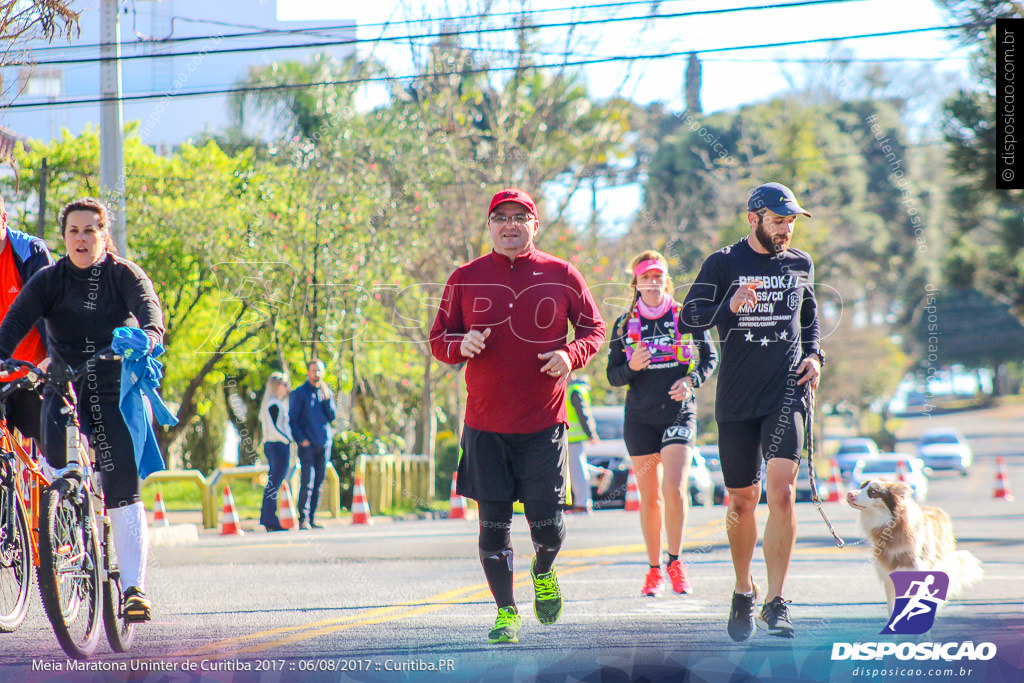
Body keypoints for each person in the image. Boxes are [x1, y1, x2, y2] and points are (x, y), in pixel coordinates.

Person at [429, 187, 606, 645]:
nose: (510, 225)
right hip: (485, 428)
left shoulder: (562, 274)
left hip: (542, 424)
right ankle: (506, 611)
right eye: (501, 217)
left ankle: (543, 571)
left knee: (548, 526)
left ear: (534, 224)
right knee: (493, 527)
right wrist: (458, 346)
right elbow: (439, 339)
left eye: (519, 217)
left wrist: (572, 355)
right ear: (489, 226)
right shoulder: (465, 277)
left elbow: (594, 329)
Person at [0, 197, 167, 623]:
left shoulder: (121, 274)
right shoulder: (49, 280)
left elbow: (149, 308)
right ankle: (68, 530)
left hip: (110, 388)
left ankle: (133, 589)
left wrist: (148, 334)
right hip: (63, 385)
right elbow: (16, 323)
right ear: (64, 237)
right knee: (57, 471)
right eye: (73, 231)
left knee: (120, 486)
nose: (81, 238)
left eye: (89, 230)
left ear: (103, 236)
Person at [680, 182, 823, 641]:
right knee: (742, 501)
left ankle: (775, 601)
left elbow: (810, 317)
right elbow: (689, 317)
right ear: (753, 219)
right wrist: (728, 306)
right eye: (778, 220)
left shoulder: (800, 263)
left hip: (786, 391)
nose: (786, 228)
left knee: (781, 493)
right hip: (737, 398)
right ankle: (744, 588)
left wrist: (815, 355)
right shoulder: (723, 263)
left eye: (791, 221)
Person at [606, 250, 718, 597]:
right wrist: (632, 367)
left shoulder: (686, 316)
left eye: (658, 277)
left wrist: (691, 382)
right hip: (640, 418)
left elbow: (709, 358)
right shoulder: (624, 324)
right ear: (636, 283)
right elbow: (613, 376)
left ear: (666, 280)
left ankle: (676, 561)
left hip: (677, 413)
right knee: (650, 498)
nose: (652, 283)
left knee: (674, 488)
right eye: (646, 277)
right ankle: (654, 569)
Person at [0, 195, 54, 446]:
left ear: (3, 219)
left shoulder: (30, 253)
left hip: (32, 373)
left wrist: (55, 358)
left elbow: (54, 310)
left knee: (55, 451)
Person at [289, 359, 335, 530]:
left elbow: (332, 416)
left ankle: (313, 517)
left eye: (319, 371)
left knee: (319, 482)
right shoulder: (300, 393)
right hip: (307, 445)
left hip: (323, 443)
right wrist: (302, 440)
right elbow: (293, 420)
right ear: (308, 372)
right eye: (314, 370)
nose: (317, 374)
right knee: (307, 481)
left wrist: (327, 398)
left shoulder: (325, 392)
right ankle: (303, 519)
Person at [259, 371, 293, 532]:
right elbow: (274, 428)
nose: (287, 388)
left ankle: (269, 518)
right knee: (274, 482)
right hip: (277, 445)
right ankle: (269, 519)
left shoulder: (276, 404)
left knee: (274, 482)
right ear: (276, 386)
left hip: (276, 445)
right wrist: (287, 439)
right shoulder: (273, 404)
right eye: (284, 385)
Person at [565, 373, 599, 514]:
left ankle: (582, 504)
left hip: (573, 437)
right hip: (572, 437)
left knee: (577, 470)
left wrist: (590, 434)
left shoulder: (574, 390)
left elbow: (582, 413)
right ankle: (599, 473)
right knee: (576, 468)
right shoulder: (576, 388)